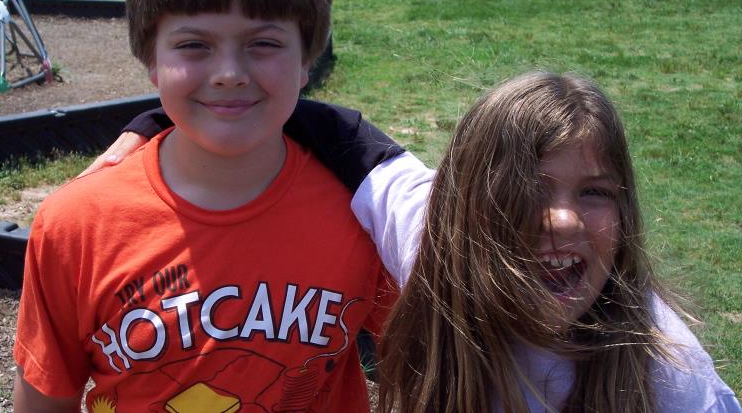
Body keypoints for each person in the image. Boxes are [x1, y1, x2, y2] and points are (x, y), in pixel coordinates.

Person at [86, 71, 742, 412]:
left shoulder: (665, 371)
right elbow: (343, 134)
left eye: (595, 192)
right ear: (466, 208)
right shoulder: (441, 248)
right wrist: (153, 121)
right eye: (528, 190)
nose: (563, 220)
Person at [12, 0, 395, 413]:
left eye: (263, 43)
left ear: (307, 58)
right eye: (194, 45)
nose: (229, 73)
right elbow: (44, 401)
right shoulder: (75, 225)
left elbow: (437, 365)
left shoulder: (366, 214)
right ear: (150, 57)